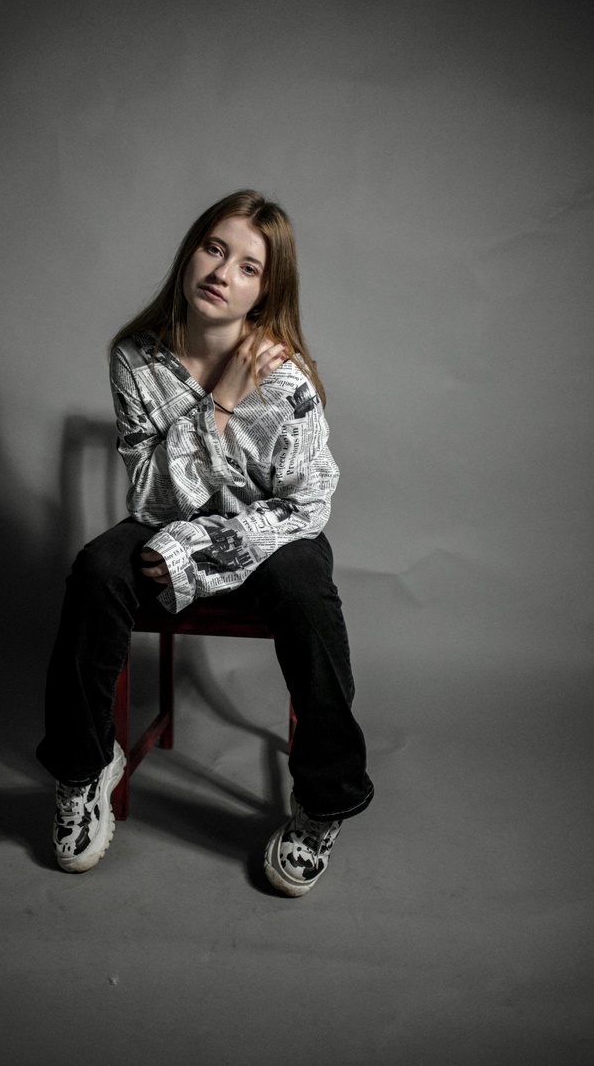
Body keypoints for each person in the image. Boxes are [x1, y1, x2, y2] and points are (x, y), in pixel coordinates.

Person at [36, 189, 374, 896]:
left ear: (265, 292)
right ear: (191, 252)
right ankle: (84, 769)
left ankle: (324, 800)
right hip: (165, 521)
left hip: (273, 531)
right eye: (214, 248)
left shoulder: (285, 380)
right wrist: (218, 405)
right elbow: (151, 498)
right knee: (97, 569)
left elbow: (307, 504)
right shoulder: (137, 359)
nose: (223, 272)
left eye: (249, 266)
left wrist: (195, 549)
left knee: (303, 586)